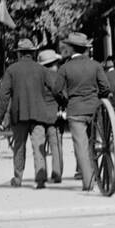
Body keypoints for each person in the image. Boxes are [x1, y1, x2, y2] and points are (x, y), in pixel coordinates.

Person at [0, 38, 58, 188]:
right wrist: (63, 103)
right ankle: (40, 178)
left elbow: (3, 95)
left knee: (19, 146)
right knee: (38, 145)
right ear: (32, 53)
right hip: (39, 113)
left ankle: (18, 178)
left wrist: (0, 114)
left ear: (19, 54)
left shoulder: (11, 70)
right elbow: (55, 87)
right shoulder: (41, 69)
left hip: (19, 114)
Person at [55, 31, 111, 192]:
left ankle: (88, 181)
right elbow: (105, 87)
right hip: (94, 108)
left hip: (75, 110)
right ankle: (98, 174)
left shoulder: (65, 68)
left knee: (81, 146)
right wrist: (98, 97)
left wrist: (65, 102)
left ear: (71, 49)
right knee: (95, 144)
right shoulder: (96, 66)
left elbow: (57, 90)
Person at [37, 48, 66, 183]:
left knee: (39, 145)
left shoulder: (36, 77)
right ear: (54, 63)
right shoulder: (56, 77)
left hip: (38, 114)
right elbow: (61, 94)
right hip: (54, 114)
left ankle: (41, 174)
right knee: (56, 144)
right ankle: (57, 172)